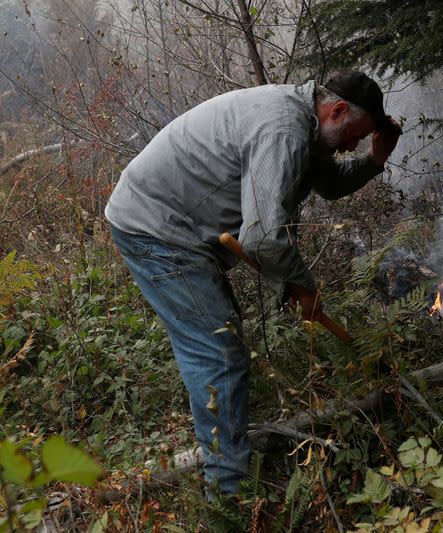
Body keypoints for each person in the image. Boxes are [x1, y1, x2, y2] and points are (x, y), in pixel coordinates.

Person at [104, 71, 401, 495]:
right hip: (157, 229)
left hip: (169, 224)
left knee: (220, 340)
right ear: (336, 111)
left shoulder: (307, 123)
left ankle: (229, 456)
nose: (354, 144)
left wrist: (374, 161)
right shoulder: (282, 128)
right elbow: (262, 237)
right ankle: (228, 495)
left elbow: (330, 184)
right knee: (218, 350)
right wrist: (303, 285)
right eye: (357, 134)